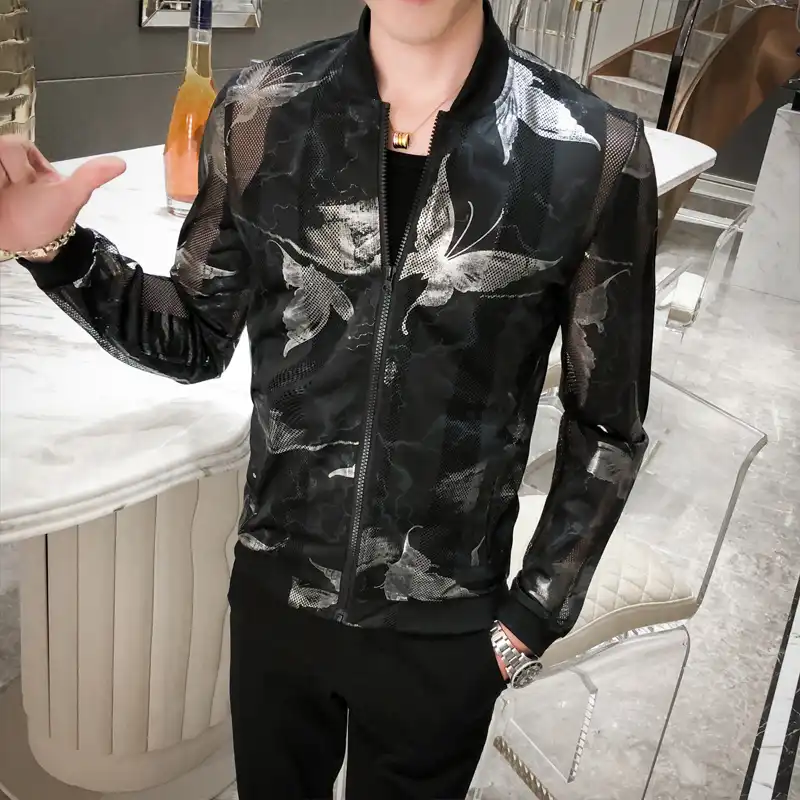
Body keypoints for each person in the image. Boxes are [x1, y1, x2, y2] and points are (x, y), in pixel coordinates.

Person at [0, 0, 657, 797]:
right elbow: (195, 335)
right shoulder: (262, 112)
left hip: (445, 627)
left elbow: (607, 427)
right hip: (277, 603)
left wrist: (528, 623)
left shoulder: (592, 150)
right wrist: (57, 253)